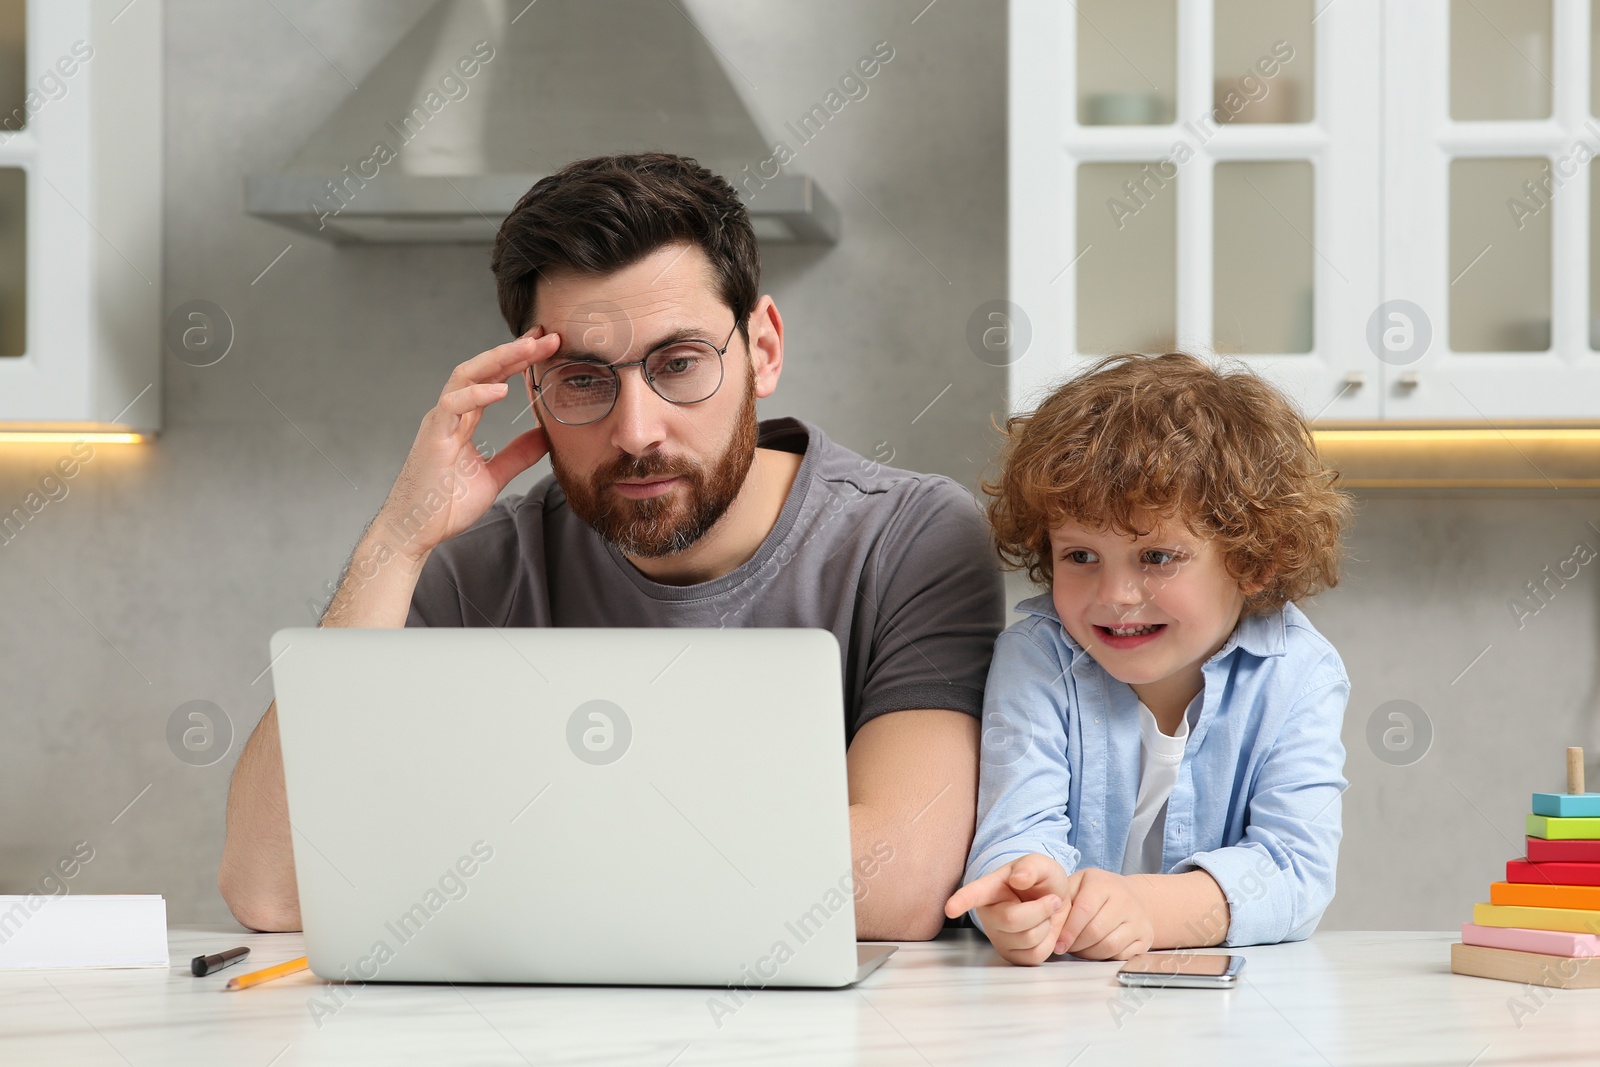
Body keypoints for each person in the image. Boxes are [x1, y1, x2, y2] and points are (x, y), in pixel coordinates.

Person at [220, 153, 1004, 940]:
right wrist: (397, 541)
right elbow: (271, 887)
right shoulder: (484, 565)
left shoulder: (912, 539)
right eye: (584, 380)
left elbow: (897, 881)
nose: (635, 431)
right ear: (533, 389)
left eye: (680, 363)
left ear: (762, 348)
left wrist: (480, 856)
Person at [944, 352, 1353, 965]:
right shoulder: (1036, 657)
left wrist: (1145, 909)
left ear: (1254, 561)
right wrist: (1020, 899)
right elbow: (1015, 833)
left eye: (1158, 558)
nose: (1113, 597)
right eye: (1080, 557)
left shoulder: (1299, 674)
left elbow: (1295, 870)